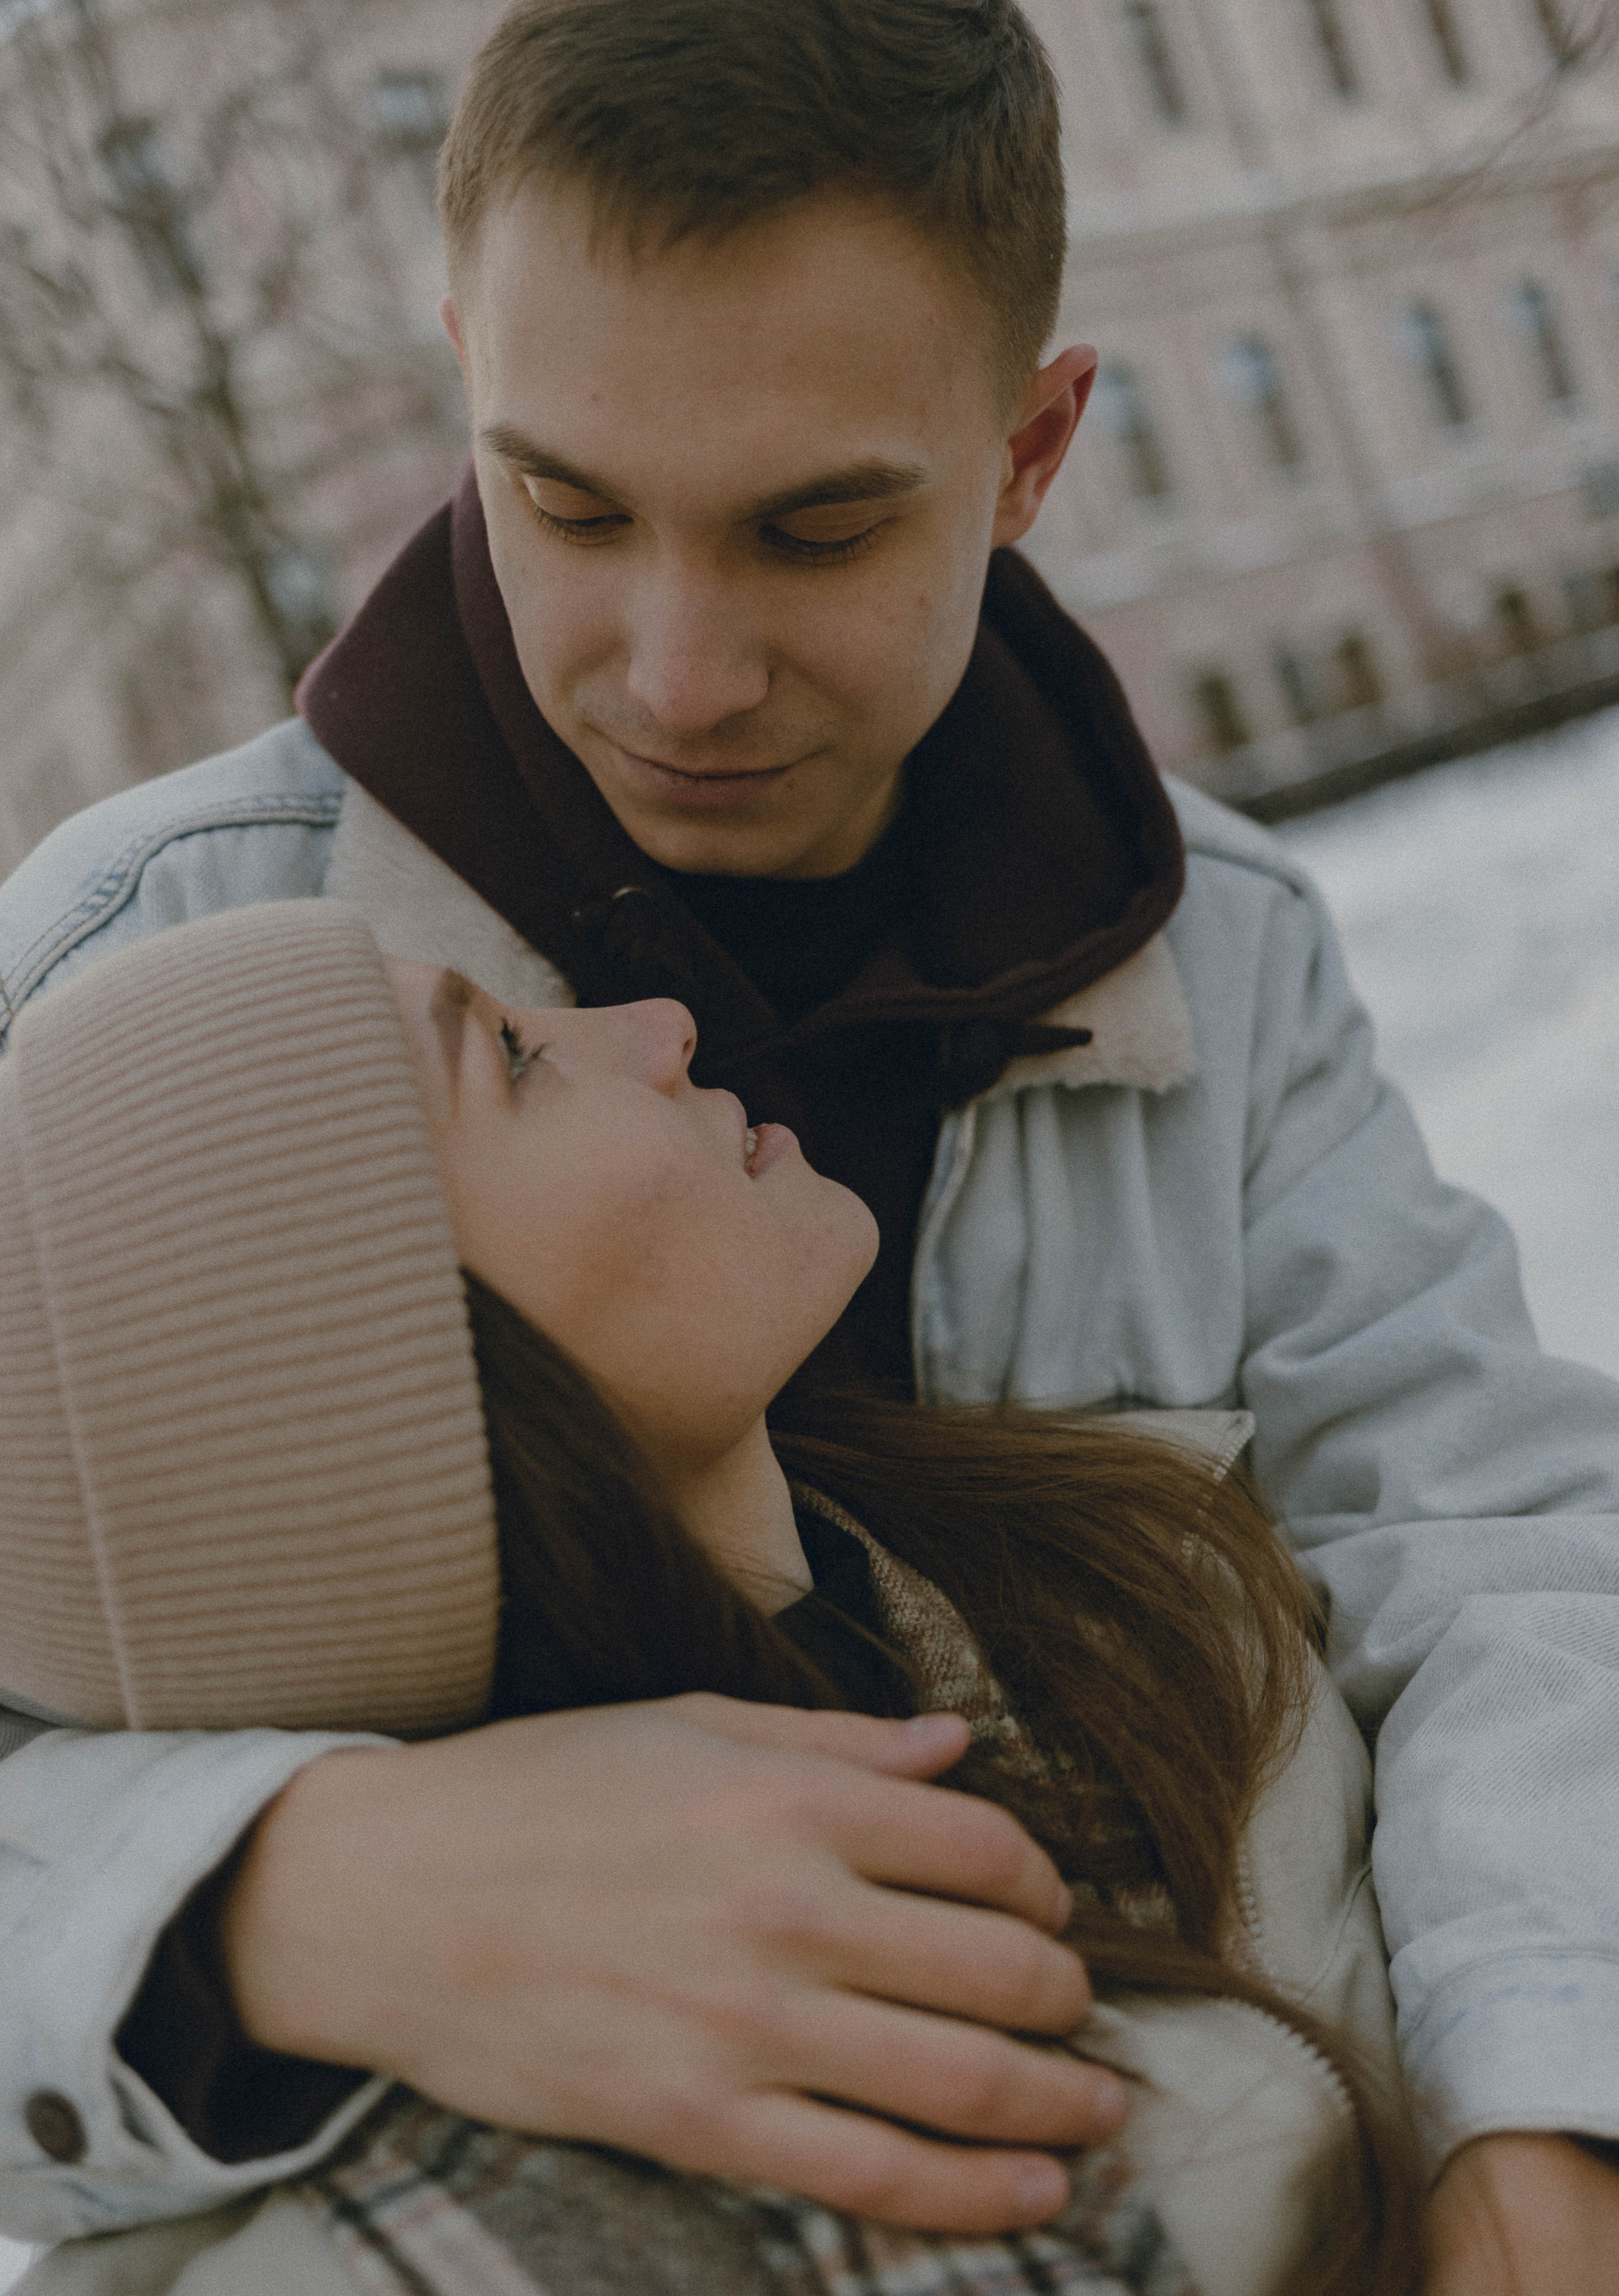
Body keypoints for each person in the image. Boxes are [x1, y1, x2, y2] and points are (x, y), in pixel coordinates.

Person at [1, 0, 1618, 2285]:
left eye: (814, 527)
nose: (674, 671)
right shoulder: (151, 977)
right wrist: (275, 1895)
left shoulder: (1225, 955)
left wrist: (1542, 2118)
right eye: (566, 500)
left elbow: (1481, 1549)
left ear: (1034, 447)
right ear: (467, 374)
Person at [0, 899, 1418, 2296]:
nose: (661, 1026)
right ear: (383, 1408)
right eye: (509, 1058)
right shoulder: (465, 2248)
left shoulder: (1133, 1573)